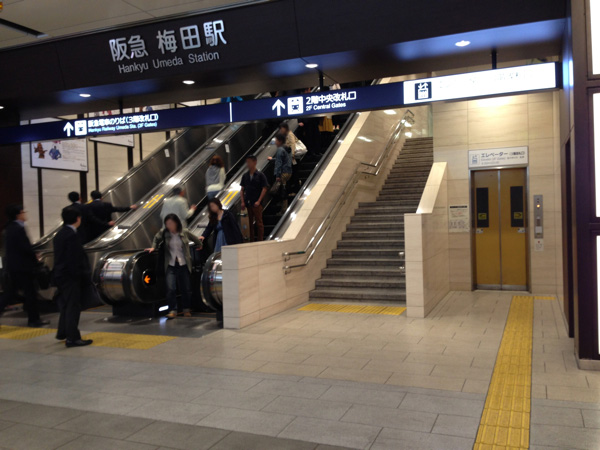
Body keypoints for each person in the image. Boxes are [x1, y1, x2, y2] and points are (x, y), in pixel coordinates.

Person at [0, 205, 49, 327]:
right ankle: (34, 320)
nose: (25, 214)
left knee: (11, 293)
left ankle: (34, 319)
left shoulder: (9, 227)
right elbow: (25, 248)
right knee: (30, 293)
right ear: (18, 214)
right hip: (23, 267)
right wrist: (35, 258)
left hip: (15, 267)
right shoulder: (18, 229)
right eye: (23, 212)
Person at [146, 214, 203, 319]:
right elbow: (156, 238)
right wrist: (153, 247)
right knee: (170, 288)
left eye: (170, 223)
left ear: (176, 223)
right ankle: (173, 310)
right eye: (167, 224)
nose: (169, 226)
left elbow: (195, 238)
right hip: (170, 264)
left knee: (186, 288)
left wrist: (199, 244)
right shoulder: (164, 232)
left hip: (184, 264)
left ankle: (186, 309)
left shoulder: (184, 232)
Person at [53, 206, 93, 347]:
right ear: (77, 218)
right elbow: (73, 259)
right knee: (73, 306)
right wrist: (80, 275)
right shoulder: (71, 235)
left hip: (61, 275)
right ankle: (73, 338)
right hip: (70, 277)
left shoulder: (60, 234)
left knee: (66, 305)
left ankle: (63, 332)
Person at [240, 155, 268, 241]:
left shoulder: (260, 175)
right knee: (249, 224)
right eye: (247, 162)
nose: (248, 164)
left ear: (255, 162)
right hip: (248, 203)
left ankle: (260, 240)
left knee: (259, 223)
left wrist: (259, 201)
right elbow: (242, 189)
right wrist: (242, 201)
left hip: (256, 203)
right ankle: (251, 240)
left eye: (249, 162)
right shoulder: (245, 176)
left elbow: (264, 188)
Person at [267, 133, 293, 214]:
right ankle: (283, 206)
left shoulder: (280, 150)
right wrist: (272, 159)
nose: (275, 142)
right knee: (283, 189)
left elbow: (279, 163)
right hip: (289, 172)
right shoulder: (287, 148)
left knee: (281, 190)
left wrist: (278, 175)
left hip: (283, 173)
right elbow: (285, 159)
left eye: (276, 140)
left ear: (280, 141)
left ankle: (284, 209)